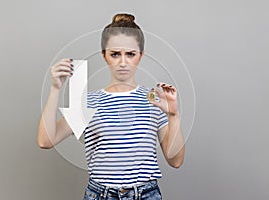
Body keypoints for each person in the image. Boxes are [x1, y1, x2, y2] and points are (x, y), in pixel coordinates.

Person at [37, 13, 185, 200]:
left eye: (130, 54)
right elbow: (45, 141)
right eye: (115, 54)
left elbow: (176, 160)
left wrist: (174, 115)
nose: (123, 62)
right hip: (100, 195)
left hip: (146, 195)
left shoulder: (154, 100)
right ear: (104, 56)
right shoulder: (88, 102)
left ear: (140, 56)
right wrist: (55, 88)